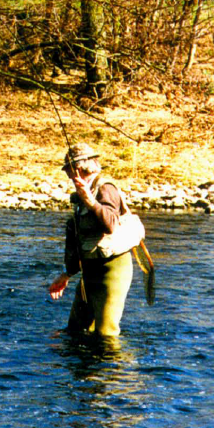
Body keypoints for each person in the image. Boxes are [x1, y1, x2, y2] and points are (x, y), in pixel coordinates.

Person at [48, 143, 134, 338]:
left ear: (82, 168)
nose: (70, 176)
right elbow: (78, 240)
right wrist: (67, 274)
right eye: (69, 173)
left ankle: (113, 368)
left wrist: (90, 201)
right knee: (75, 330)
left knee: (106, 333)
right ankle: (83, 368)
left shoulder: (106, 188)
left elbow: (110, 225)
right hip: (89, 270)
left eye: (71, 171)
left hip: (112, 269)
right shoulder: (80, 195)